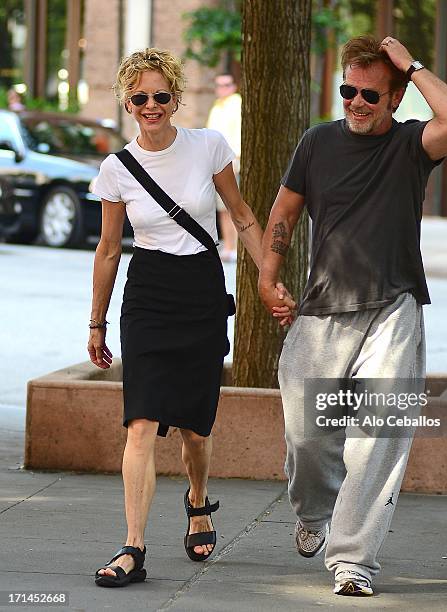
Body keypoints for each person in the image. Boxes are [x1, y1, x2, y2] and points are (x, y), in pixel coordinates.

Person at [258, 35, 447, 596]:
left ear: (396, 98)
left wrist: (413, 65)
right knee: (307, 436)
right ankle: (312, 513)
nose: (355, 101)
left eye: (370, 94)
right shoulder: (316, 142)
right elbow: (284, 210)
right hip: (322, 308)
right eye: (347, 90)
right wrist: (265, 273)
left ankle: (353, 560)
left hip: (394, 306)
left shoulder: (412, 145)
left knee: (378, 436)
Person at [88, 47, 294, 587]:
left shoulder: (208, 146)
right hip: (149, 293)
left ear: (175, 98)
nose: (150, 105)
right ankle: (133, 547)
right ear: (128, 103)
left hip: (201, 289)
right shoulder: (117, 168)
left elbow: (244, 216)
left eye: (160, 95)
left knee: (193, 429)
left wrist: (266, 278)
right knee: (140, 422)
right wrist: (96, 321)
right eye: (139, 97)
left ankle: (198, 501)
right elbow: (109, 250)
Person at [206, 73, 241, 262]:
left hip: (232, 163)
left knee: (233, 207)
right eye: (219, 85)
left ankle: (234, 247)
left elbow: (237, 136)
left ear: (234, 86)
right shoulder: (217, 107)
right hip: (216, 164)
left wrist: (235, 161)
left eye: (227, 84)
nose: (223, 88)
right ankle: (228, 246)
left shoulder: (236, 104)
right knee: (222, 208)